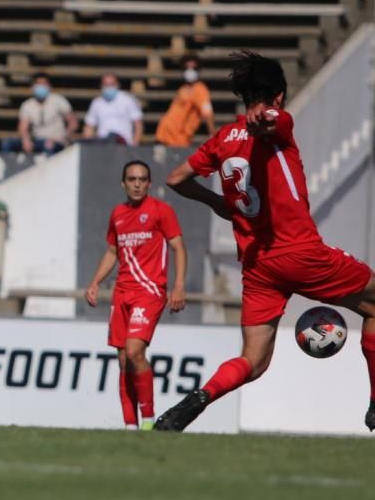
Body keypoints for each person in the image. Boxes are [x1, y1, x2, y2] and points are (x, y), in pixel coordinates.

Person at [155, 50, 375, 432]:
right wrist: (264, 120)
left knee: (253, 361)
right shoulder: (278, 124)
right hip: (300, 252)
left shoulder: (223, 138)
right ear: (278, 96)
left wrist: (219, 203)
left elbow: (176, 179)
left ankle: (193, 403)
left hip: (259, 267)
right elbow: (273, 121)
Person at [84, 160, 187, 430]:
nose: (137, 184)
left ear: (149, 184)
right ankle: (130, 426)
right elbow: (112, 252)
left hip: (150, 291)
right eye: (132, 179)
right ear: (123, 183)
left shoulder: (161, 211)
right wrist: (96, 281)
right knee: (122, 360)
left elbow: (178, 247)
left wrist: (178, 286)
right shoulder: (117, 214)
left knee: (134, 351)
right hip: (122, 293)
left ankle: (148, 421)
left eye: (142, 179)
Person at [155, 54, 216, 148]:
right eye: (187, 68)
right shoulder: (183, 88)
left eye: (193, 68)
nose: (190, 71)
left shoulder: (200, 89)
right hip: (164, 135)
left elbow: (207, 112)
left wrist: (212, 134)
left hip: (179, 139)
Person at [13, 72, 77, 155]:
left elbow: (73, 123)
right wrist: (26, 140)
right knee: (9, 144)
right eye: (38, 83)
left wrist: (64, 137)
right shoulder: (27, 105)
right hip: (37, 141)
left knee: (48, 146)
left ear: (49, 86)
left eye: (44, 84)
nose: (41, 86)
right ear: (32, 87)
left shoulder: (58, 101)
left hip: (56, 140)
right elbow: (23, 127)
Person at [83, 73, 143, 146]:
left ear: (118, 85)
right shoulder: (97, 103)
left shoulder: (128, 100)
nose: (109, 87)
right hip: (103, 145)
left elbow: (138, 125)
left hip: (124, 144)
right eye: (106, 84)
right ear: (101, 86)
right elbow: (89, 127)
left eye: (111, 84)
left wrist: (134, 145)